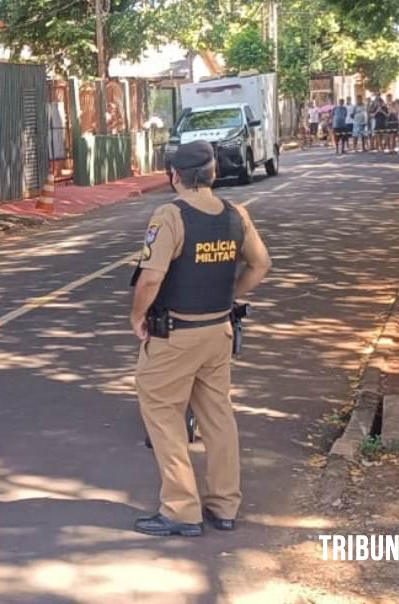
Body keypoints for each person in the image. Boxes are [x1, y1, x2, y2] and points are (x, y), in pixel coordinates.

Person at [129, 140, 271, 537]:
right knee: (218, 417)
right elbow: (261, 264)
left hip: (175, 334)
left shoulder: (170, 215)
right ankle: (225, 505)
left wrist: (137, 316)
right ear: (213, 174)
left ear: (175, 177)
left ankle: (181, 510)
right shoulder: (235, 215)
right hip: (218, 330)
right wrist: (231, 296)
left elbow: (151, 277)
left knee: (163, 414)